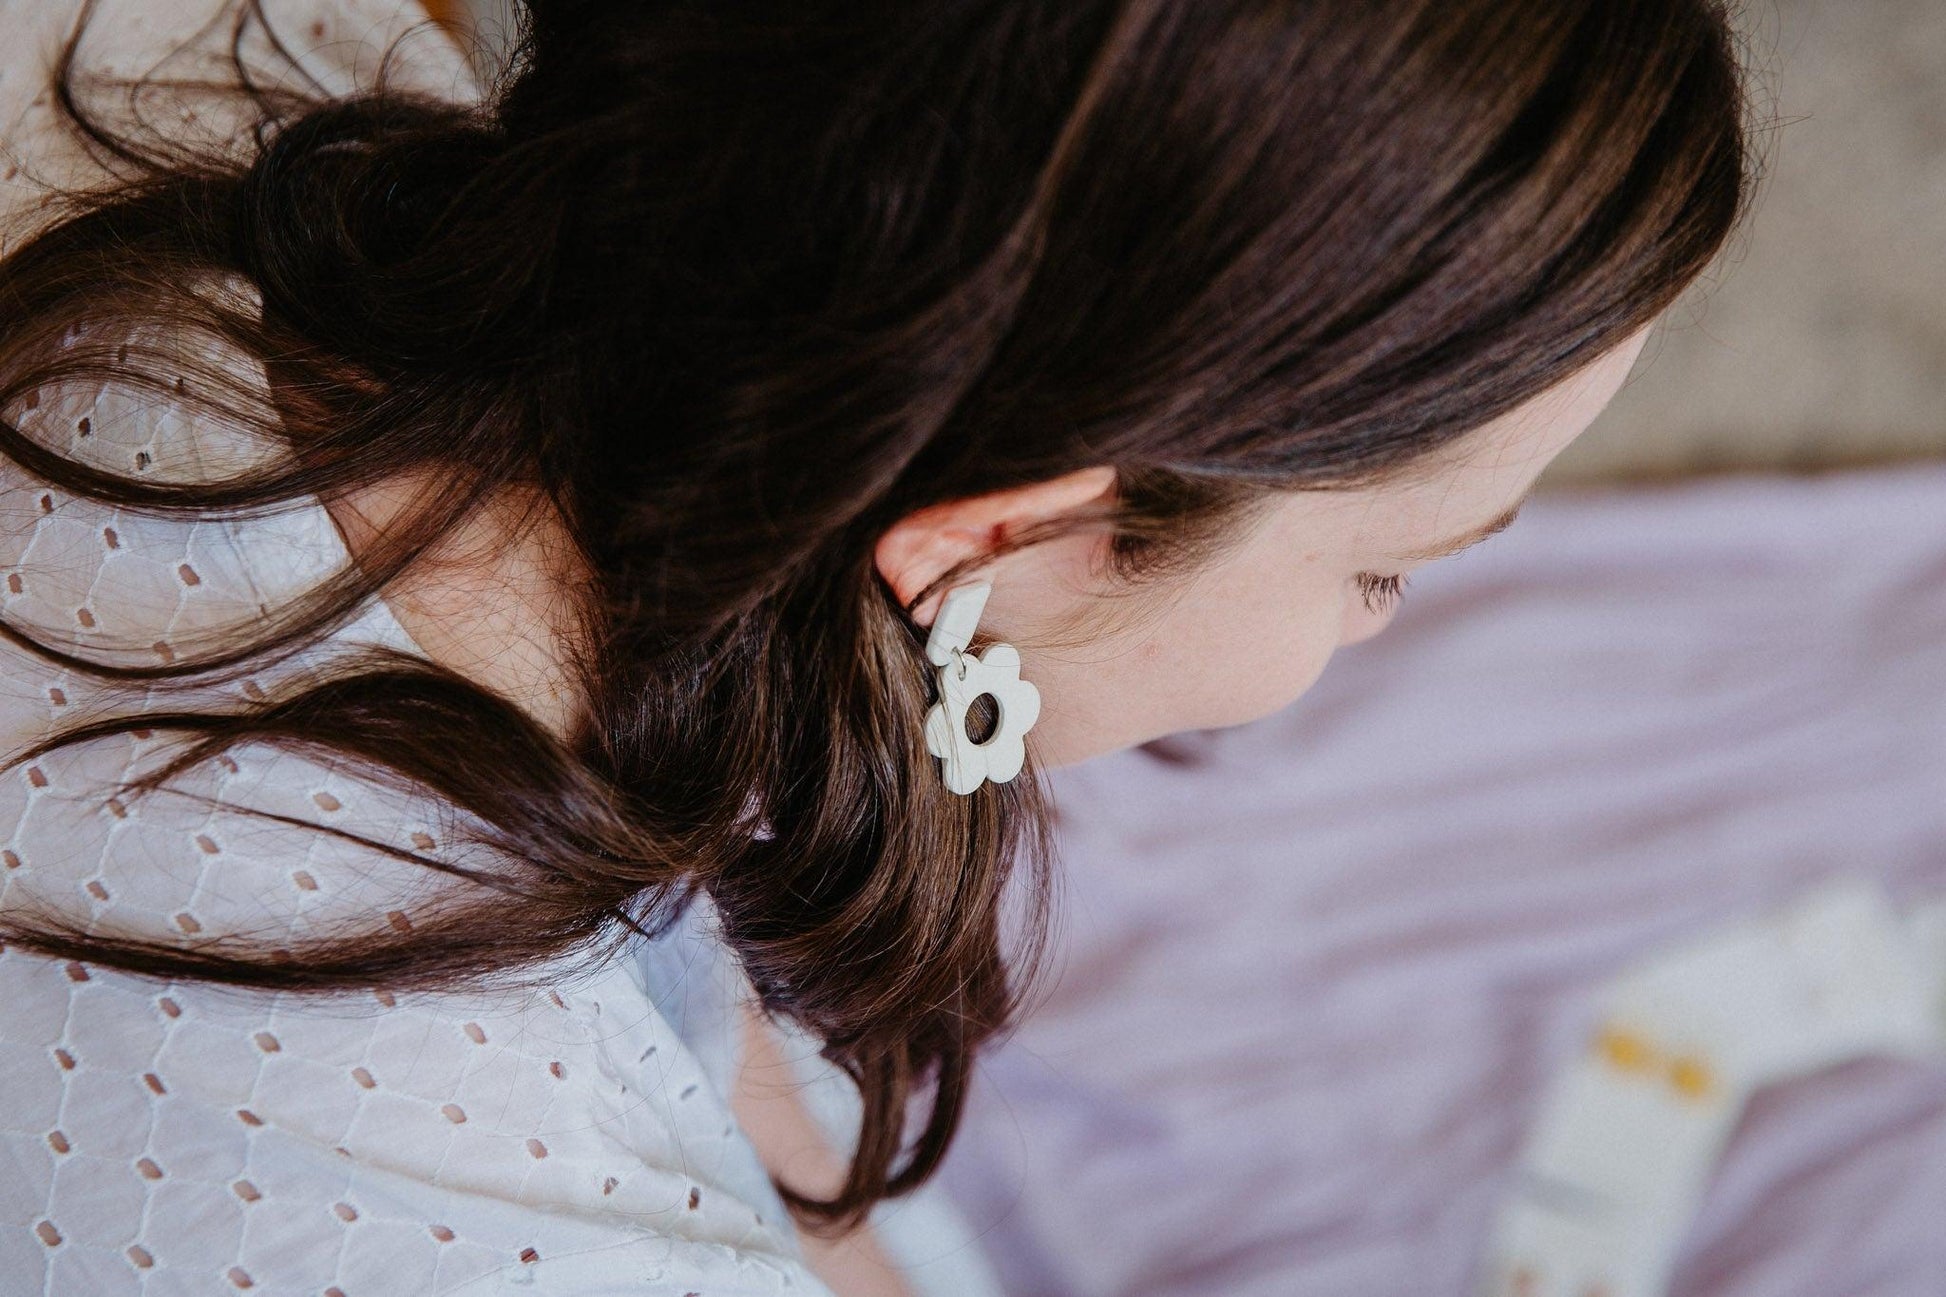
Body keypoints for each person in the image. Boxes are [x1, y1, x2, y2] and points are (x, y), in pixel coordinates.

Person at [0, 0, 1755, 1292]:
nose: (1373, 633)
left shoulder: (292, 84)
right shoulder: (475, 1200)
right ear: (1004, 542)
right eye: (1387, 571)